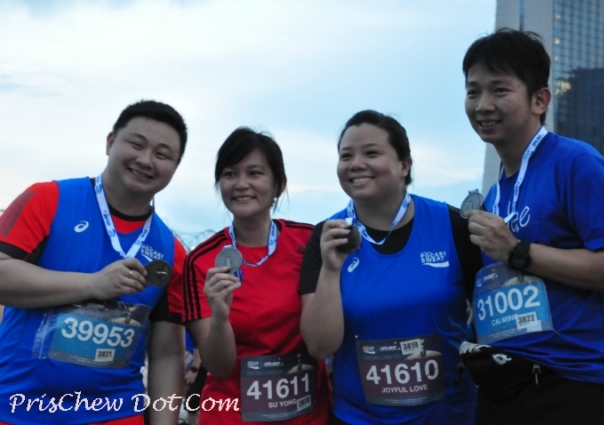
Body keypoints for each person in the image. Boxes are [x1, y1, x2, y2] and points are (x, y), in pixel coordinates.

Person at [462, 28, 604, 425]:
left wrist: (517, 251)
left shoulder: (577, 163)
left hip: (573, 385)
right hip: (503, 385)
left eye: (499, 90)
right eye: (473, 92)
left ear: (540, 99)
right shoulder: (494, 195)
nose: (483, 104)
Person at [0, 100, 188, 425]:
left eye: (162, 154)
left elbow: (167, 355)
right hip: (18, 409)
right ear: (111, 142)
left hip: (116, 413)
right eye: (137, 144)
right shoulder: (47, 199)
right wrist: (92, 285)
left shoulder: (172, 252)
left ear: (174, 167)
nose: (146, 160)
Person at [299, 110, 481, 424]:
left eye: (371, 153)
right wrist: (330, 271)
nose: (356, 164)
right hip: (359, 418)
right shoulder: (327, 236)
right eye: (346, 156)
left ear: (404, 165)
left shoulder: (452, 224)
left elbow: (491, 312)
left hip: (450, 416)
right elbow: (319, 346)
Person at [183, 127, 331, 424]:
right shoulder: (201, 261)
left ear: (279, 185)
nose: (241, 184)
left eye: (254, 173)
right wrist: (220, 317)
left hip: (308, 416)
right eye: (229, 174)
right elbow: (219, 367)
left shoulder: (310, 244)